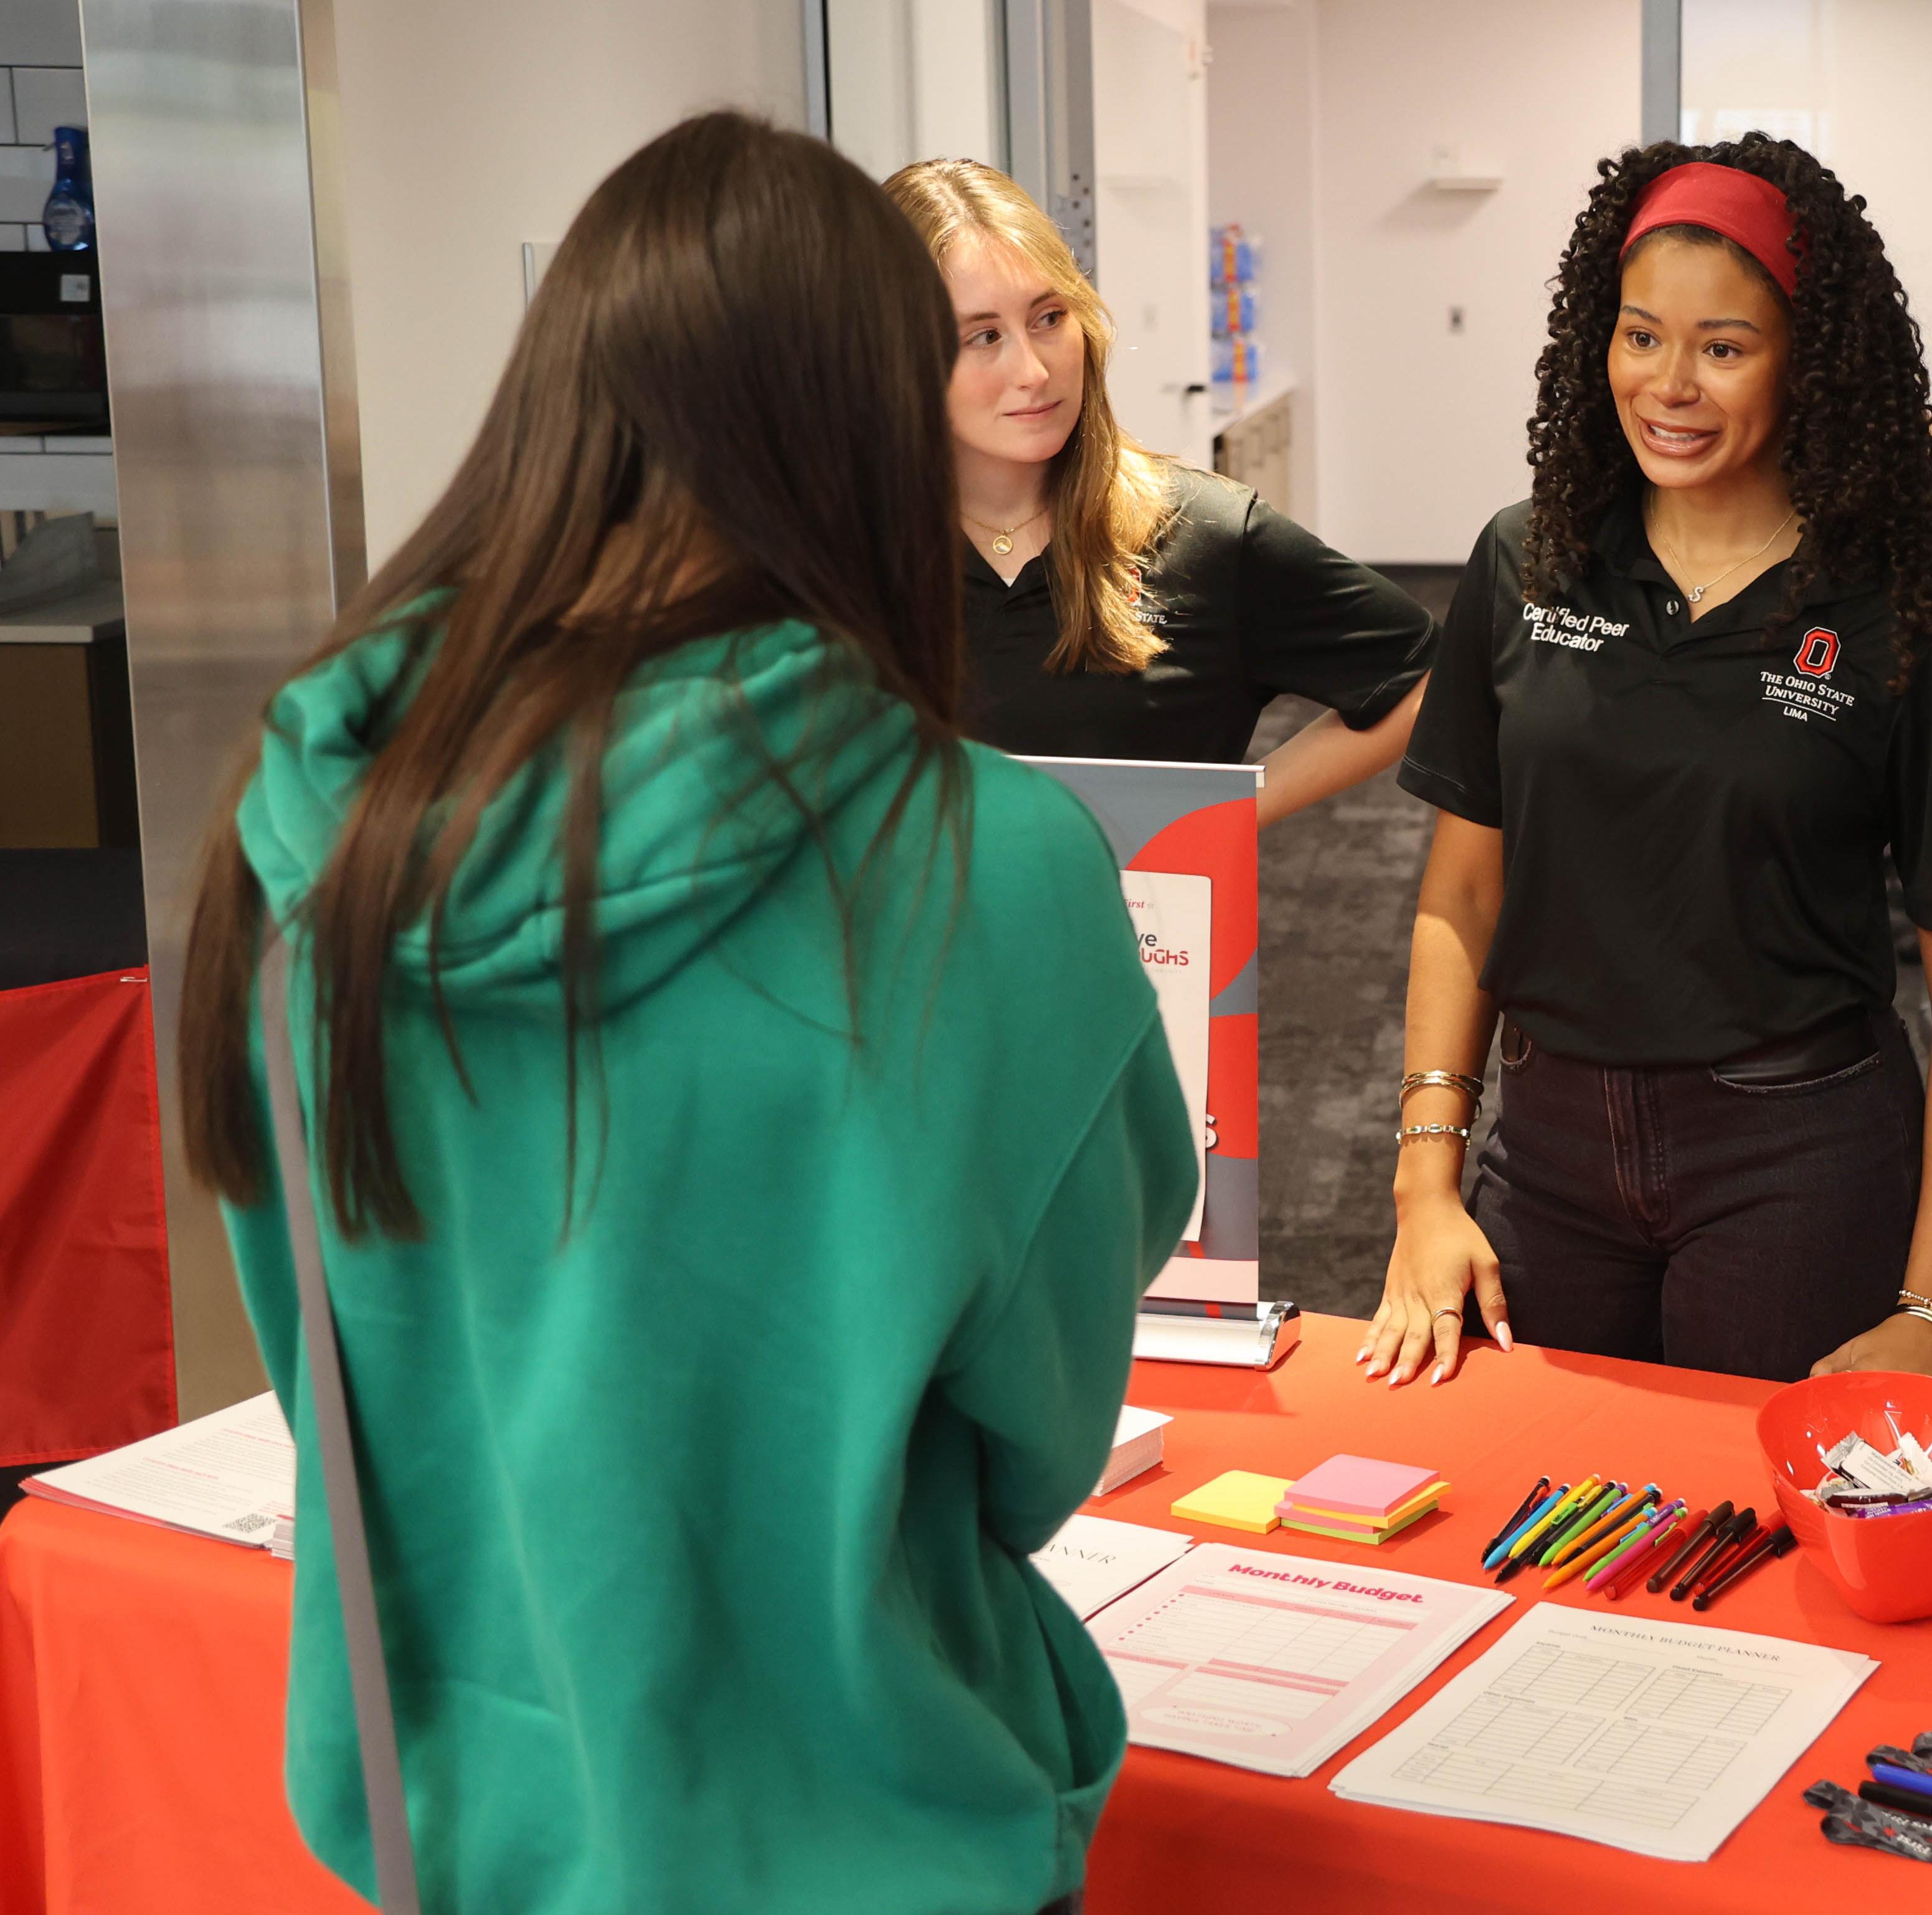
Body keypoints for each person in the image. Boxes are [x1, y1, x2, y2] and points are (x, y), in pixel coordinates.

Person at [176, 114, 1196, 1915]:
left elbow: (324, 1337)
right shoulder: (989, 867)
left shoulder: (314, 829)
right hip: (868, 1828)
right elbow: (1048, 1422)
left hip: (456, 1819)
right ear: (879, 435)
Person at [1361, 135, 1932, 1389]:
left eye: (1722, 347)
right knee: (1534, 1519)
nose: (1669, 383)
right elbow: (1459, 899)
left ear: (1805, 366)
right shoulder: (1525, 562)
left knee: (1751, 1550)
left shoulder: (1899, 604)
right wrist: (1424, 1179)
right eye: (1639, 335)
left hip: (1795, 1152)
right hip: (1547, 1147)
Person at [885, 159, 1432, 822]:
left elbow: (1422, 676)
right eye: (983, 336)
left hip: (1127, 928)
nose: (1033, 370)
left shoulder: (1207, 536)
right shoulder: (834, 560)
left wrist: (1225, 813)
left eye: (1049, 317)